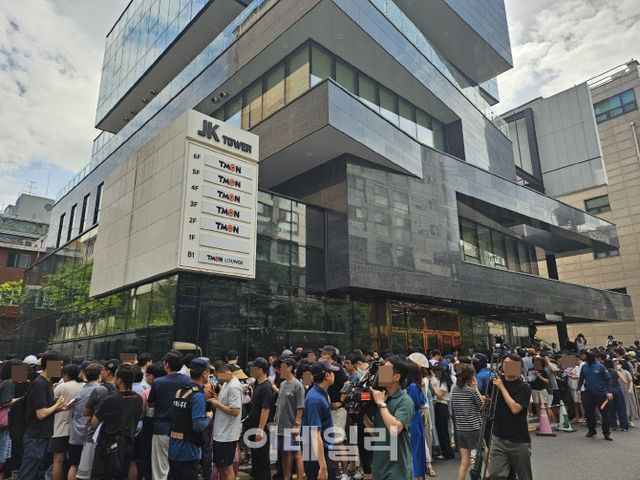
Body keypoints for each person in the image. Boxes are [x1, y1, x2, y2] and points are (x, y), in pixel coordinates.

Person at [17, 350, 66, 480]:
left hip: (40, 435)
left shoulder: (46, 383)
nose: (61, 368)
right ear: (50, 364)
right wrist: (57, 405)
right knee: (28, 472)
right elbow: (41, 414)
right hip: (35, 436)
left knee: (32, 471)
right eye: (59, 364)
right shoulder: (40, 385)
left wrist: (58, 408)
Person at [91, 364, 143, 480]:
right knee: (123, 474)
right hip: (128, 442)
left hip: (109, 444)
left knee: (104, 475)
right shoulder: (138, 399)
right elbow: (139, 417)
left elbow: (94, 422)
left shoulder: (111, 399)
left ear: (119, 379)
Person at [368, 356, 414, 480]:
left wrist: (381, 404)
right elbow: (377, 434)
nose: (380, 373)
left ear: (396, 377)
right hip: (379, 466)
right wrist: (361, 415)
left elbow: (394, 429)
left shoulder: (405, 400)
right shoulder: (383, 398)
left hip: (397, 468)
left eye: (385, 370)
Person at [488, 353, 532, 480]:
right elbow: (491, 403)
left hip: (519, 440)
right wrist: (486, 401)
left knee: (524, 476)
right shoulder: (494, 382)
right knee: (496, 474)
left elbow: (515, 409)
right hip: (498, 437)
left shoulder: (524, 387)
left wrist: (502, 387)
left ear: (520, 368)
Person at [148, 350, 190, 480]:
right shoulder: (188, 381)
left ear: (166, 364)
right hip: (183, 431)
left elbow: (151, 403)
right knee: (179, 469)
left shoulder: (158, 382)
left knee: (160, 470)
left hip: (161, 429)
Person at [168, 358, 211, 479]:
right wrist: (208, 417)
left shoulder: (180, 391)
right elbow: (198, 426)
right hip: (188, 452)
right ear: (204, 374)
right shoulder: (198, 396)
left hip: (173, 448)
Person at [76, 360, 119, 480]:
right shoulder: (120, 391)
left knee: (87, 470)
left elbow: (85, 412)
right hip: (114, 434)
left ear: (107, 372)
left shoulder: (99, 390)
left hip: (95, 433)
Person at [302, 360, 338, 480]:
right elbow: (315, 434)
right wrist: (322, 467)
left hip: (320, 451)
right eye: (332, 372)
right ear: (327, 375)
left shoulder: (320, 394)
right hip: (315, 455)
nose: (334, 375)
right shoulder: (315, 399)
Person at [68, 363, 103, 480]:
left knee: (74, 465)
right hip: (92, 433)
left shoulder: (80, 390)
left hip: (76, 432)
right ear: (100, 375)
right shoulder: (101, 390)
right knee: (90, 467)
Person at [209, 363, 243, 480]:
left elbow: (235, 411)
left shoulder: (233, 386)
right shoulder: (226, 384)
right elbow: (224, 403)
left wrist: (217, 404)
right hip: (221, 433)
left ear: (224, 372)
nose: (217, 379)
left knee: (227, 468)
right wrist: (215, 397)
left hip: (227, 435)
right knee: (221, 467)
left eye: (217, 376)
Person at [50, 363, 84, 480]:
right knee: (75, 462)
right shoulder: (84, 386)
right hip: (78, 429)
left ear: (65, 374)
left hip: (60, 428)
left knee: (58, 460)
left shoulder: (61, 387)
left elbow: (50, 402)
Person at [274, 356, 305, 480]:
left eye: (282, 367)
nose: (279, 369)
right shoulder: (282, 384)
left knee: (296, 454)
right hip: (281, 425)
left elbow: (300, 407)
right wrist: (275, 417)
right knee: (284, 453)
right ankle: (286, 478)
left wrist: (296, 424)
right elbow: (278, 404)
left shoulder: (297, 385)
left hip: (291, 426)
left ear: (290, 368)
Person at [450, 364, 483, 480]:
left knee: (464, 462)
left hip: (461, 429)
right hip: (474, 428)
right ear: (472, 376)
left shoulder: (455, 390)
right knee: (486, 455)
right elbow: (481, 405)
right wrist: (476, 389)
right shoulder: (470, 391)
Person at [246, 357, 274, 480]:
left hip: (259, 428)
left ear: (260, 370)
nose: (251, 370)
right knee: (256, 459)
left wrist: (260, 430)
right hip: (253, 426)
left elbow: (265, 410)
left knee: (262, 461)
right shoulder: (257, 384)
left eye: (253, 368)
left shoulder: (266, 387)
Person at [579, 351, 613, 440]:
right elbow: (581, 378)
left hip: (601, 394)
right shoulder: (584, 367)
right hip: (589, 393)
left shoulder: (601, 366)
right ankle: (591, 430)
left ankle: (606, 433)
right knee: (589, 413)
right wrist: (578, 389)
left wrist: (609, 391)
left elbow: (608, 379)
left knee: (605, 414)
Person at [405, 361, 426, 480]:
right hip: (416, 418)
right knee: (417, 449)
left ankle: (417, 475)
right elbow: (422, 401)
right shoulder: (415, 386)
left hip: (412, 418)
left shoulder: (411, 386)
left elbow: (413, 403)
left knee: (414, 450)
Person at [430, 363, 454, 459]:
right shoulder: (444, 381)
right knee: (442, 431)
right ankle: (446, 452)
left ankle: (447, 453)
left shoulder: (444, 383)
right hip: (441, 407)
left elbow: (439, 395)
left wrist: (433, 386)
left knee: (442, 431)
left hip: (442, 406)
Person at [604, 359, 629, 431]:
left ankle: (613, 425)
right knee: (621, 408)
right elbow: (625, 381)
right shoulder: (616, 371)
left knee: (611, 409)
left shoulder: (604, 372)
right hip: (617, 389)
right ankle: (624, 426)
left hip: (608, 390)